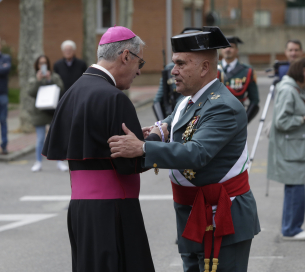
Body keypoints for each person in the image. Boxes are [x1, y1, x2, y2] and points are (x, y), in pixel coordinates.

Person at [108, 27, 260, 272]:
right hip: (191, 213)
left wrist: (143, 148)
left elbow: (196, 153)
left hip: (220, 216)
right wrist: (159, 129)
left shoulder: (223, 107)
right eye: (173, 63)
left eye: (180, 64)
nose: (173, 71)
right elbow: (172, 121)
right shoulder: (188, 98)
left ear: (204, 68)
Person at [42, 26, 161, 272]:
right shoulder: (114, 98)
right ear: (125, 56)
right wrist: (156, 139)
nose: (139, 71)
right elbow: (130, 163)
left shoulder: (72, 92)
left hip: (80, 213)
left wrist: (139, 139)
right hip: (114, 211)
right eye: (139, 62)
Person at [267, 57, 305, 241]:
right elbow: (281, 121)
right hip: (290, 148)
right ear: (304, 71)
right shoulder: (288, 90)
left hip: (295, 146)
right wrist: (303, 120)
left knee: (295, 187)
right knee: (295, 188)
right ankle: (291, 229)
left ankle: (291, 227)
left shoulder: (297, 89)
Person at [277, 40, 305, 198]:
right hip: (289, 115)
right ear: (285, 52)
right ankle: (291, 180)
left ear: (301, 52)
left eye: (296, 50)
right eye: (290, 50)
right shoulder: (282, 70)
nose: (293, 53)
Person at [27, 55, 67, 172]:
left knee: (56, 137)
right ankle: (38, 162)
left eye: (44, 63)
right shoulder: (33, 78)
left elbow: (61, 89)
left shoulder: (54, 76)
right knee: (40, 139)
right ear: (37, 65)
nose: (42, 65)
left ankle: (60, 162)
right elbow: (31, 92)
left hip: (52, 111)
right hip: (39, 112)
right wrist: (38, 81)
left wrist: (50, 79)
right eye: (40, 63)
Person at [218, 36, 259, 123]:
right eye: (225, 47)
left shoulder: (247, 71)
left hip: (236, 116)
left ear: (237, 50)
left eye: (231, 46)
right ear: (221, 50)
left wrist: (244, 121)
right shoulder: (212, 68)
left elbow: (255, 100)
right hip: (214, 115)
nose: (228, 49)